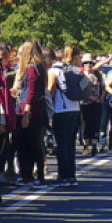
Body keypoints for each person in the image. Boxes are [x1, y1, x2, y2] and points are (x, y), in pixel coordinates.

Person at [13, 40, 50, 185]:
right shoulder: (40, 67)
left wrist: (26, 112)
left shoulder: (32, 69)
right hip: (37, 109)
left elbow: (31, 91)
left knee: (29, 144)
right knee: (32, 143)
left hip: (30, 110)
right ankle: (31, 174)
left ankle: (31, 174)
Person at [47, 46, 81, 185]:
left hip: (61, 110)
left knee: (62, 144)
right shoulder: (76, 70)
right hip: (75, 109)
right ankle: (72, 175)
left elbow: (51, 90)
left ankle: (63, 176)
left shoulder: (53, 71)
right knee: (70, 143)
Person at [79, 56, 105, 156]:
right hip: (85, 103)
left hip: (97, 103)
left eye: (90, 63)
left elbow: (103, 86)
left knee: (95, 124)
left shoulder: (97, 75)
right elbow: (80, 89)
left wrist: (101, 96)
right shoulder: (81, 75)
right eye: (86, 63)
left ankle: (94, 145)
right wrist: (89, 97)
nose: (88, 65)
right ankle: (86, 146)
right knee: (85, 125)